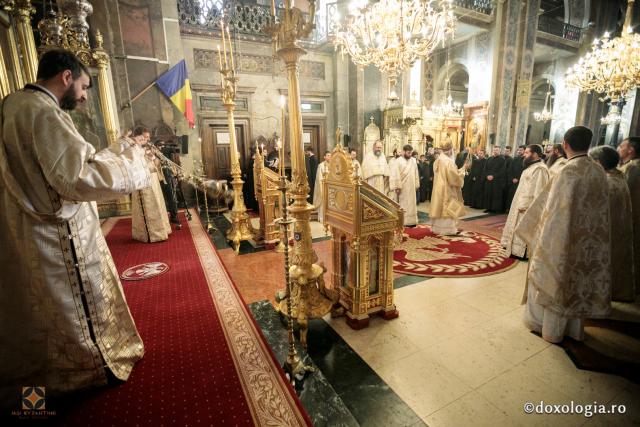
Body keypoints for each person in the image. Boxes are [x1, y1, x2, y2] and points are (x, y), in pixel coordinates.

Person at [0, 49, 150, 402]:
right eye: (82, 87)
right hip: (57, 235)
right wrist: (135, 165)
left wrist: (120, 148)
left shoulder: (11, 104)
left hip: (27, 228)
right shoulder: (43, 111)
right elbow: (79, 177)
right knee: (72, 307)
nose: (83, 97)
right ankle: (89, 363)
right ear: (66, 77)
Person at [516, 126, 611, 343]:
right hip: (587, 241)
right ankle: (573, 330)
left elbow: (552, 212)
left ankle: (550, 328)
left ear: (565, 144)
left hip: (562, 238)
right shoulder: (598, 171)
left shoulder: (567, 172)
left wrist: (537, 235)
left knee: (556, 278)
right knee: (578, 283)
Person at [590, 145, 635, 302]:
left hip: (607, 236)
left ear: (598, 162)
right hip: (617, 233)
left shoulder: (606, 183)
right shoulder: (618, 177)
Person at [500, 144, 548, 258]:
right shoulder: (532, 167)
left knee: (524, 227)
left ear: (535, 154)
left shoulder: (539, 169)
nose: (524, 155)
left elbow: (538, 191)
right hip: (520, 201)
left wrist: (525, 205)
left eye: (527, 153)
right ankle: (513, 247)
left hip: (527, 206)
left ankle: (521, 251)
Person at [128, 126, 172, 243]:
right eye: (145, 137)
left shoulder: (148, 147)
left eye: (148, 137)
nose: (147, 140)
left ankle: (161, 230)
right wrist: (143, 157)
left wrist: (156, 157)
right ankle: (149, 234)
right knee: (148, 206)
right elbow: (132, 165)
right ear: (137, 137)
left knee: (157, 203)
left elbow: (155, 165)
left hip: (153, 180)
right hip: (142, 181)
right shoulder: (132, 149)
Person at [618, 136, 640, 296]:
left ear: (630, 150)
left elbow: (623, 195)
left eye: (621, 146)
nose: (619, 148)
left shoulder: (632, 168)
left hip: (631, 218)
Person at [429, 143, 468, 235]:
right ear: (450, 150)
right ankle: (447, 229)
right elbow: (454, 178)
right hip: (447, 189)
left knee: (439, 207)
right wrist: (463, 170)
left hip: (438, 188)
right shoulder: (448, 161)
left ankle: (437, 228)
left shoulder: (438, 160)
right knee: (447, 207)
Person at [390, 144, 420, 226]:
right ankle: (403, 220)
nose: (410, 155)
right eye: (408, 153)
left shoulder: (413, 160)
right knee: (403, 203)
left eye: (410, 153)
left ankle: (412, 221)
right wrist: (397, 186)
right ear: (403, 152)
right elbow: (395, 174)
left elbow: (416, 173)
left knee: (411, 203)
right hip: (403, 187)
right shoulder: (398, 161)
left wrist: (416, 184)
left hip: (412, 185)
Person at [482, 146, 507, 213]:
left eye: (497, 150)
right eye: (494, 150)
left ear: (499, 151)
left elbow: (502, 171)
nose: (495, 151)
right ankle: (488, 208)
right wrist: (487, 176)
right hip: (488, 180)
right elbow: (485, 169)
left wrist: (493, 176)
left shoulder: (502, 159)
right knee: (488, 194)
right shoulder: (489, 159)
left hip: (497, 181)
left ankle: (495, 209)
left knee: (495, 195)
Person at [313, 151, 331, 223]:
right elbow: (319, 177)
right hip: (323, 186)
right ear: (324, 157)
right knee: (323, 202)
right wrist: (321, 187)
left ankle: (330, 218)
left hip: (331, 187)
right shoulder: (321, 165)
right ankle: (322, 218)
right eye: (328, 155)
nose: (329, 157)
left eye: (330, 155)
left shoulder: (333, 165)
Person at [505, 145, 524, 210]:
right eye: (519, 150)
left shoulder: (526, 160)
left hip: (520, 181)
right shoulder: (515, 159)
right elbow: (510, 170)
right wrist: (512, 178)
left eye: (521, 150)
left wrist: (518, 178)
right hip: (512, 181)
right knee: (511, 195)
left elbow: (524, 171)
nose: (519, 151)